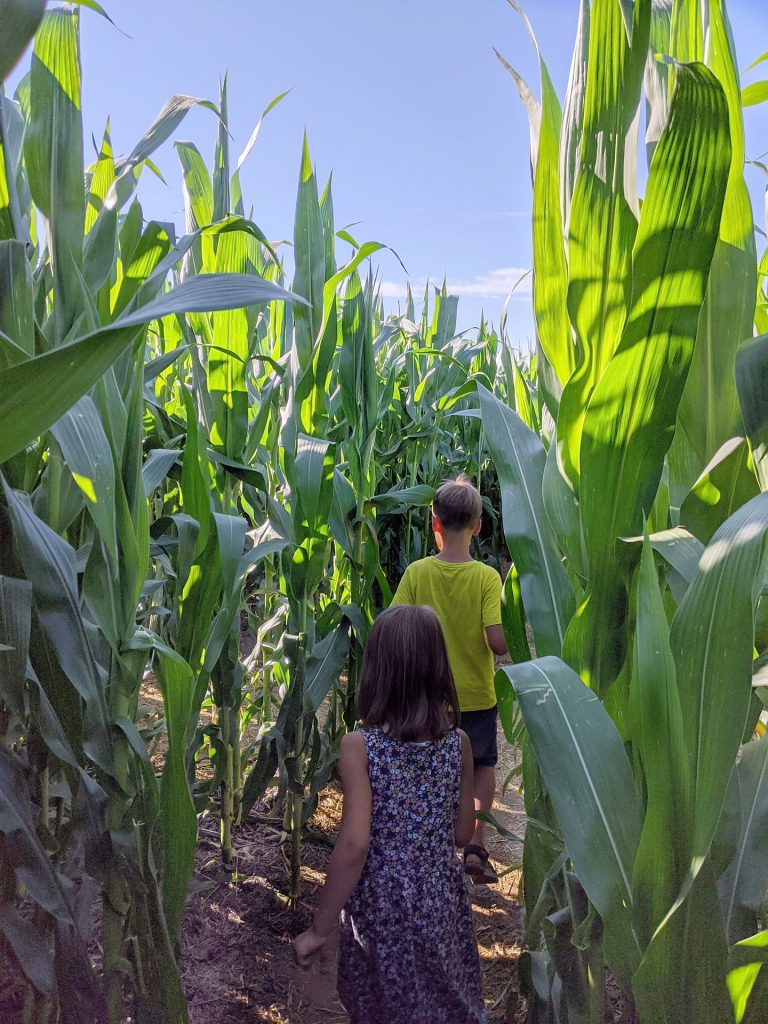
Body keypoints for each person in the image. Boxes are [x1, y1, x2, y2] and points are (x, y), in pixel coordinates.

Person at [294, 604, 487, 1024]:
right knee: (447, 1003)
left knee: (384, 1008)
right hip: (441, 899)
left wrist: (319, 930)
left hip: (384, 907)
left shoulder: (359, 747)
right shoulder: (460, 745)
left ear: (377, 671)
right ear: (439, 670)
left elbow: (355, 843)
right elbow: (462, 832)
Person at [391, 474, 507, 884]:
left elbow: (395, 627)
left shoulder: (417, 572)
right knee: (481, 767)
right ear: (478, 525)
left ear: (434, 522)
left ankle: (427, 846)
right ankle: (475, 846)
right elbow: (496, 643)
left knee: (424, 767)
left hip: (426, 696)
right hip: (475, 695)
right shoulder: (487, 578)